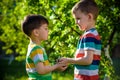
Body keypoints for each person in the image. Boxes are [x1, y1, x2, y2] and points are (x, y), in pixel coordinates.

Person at [59, 0, 101, 80]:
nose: (76, 22)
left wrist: (68, 60)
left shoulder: (89, 35)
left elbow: (88, 60)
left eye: (78, 18)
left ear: (89, 17)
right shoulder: (91, 34)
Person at [21, 14, 67, 80]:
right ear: (36, 32)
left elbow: (41, 67)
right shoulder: (36, 49)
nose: (48, 31)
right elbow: (41, 70)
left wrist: (55, 65)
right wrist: (56, 66)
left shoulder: (32, 47)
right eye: (45, 28)